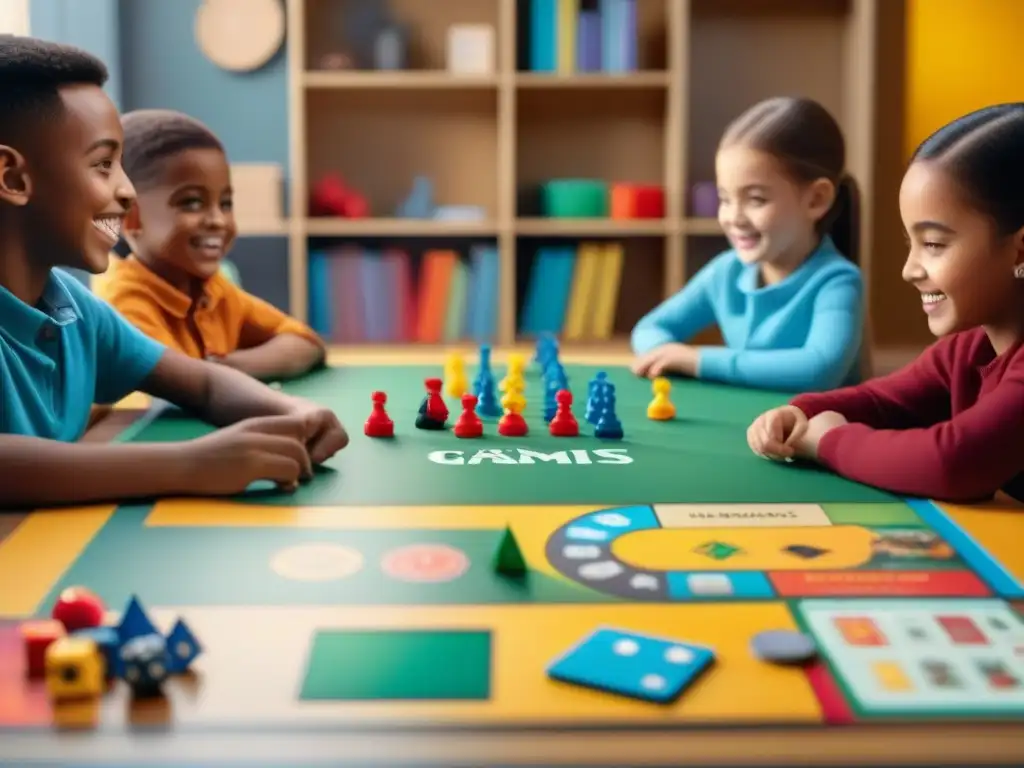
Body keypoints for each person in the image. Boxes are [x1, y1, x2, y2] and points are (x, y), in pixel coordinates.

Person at [0, 36, 347, 510]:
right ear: (13, 178)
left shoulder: (77, 312)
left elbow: (202, 383)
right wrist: (193, 463)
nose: (126, 192)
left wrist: (294, 412)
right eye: (103, 165)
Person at [746, 103, 1024, 503]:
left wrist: (829, 442)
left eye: (933, 244)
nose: (910, 269)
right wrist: (801, 412)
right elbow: (882, 401)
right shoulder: (969, 349)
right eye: (911, 244)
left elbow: (953, 463)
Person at [630, 97, 864, 392]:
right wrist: (665, 355)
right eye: (725, 199)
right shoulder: (725, 273)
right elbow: (650, 329)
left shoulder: (838, 282)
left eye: (756, 199)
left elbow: (819, 369)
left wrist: (696, 360)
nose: (734, 218)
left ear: (816, 199)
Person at [97, 108, 326, 381]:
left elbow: (306, 343)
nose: (218, 220)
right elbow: (177, 387)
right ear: (132, 219)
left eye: (226, 203)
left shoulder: (213, 290)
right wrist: (216, 377)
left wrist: (229, 367)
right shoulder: (123, 303)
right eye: (192, 202)